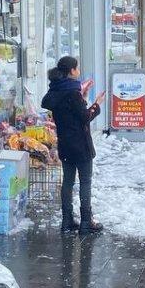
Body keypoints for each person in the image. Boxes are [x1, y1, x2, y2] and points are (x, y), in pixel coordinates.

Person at [41, 56, 105, 234]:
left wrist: (83, 98)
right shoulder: (72, 92)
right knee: (85, 182)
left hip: (65, 145)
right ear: (71, 71)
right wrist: (96, 105)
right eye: (77, 68)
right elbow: (84, 117)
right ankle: (86, 221)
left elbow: (70, 112)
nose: (79, 71)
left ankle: (67, 220)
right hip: (80, 145)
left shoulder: (56, 90)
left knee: (68, 182)